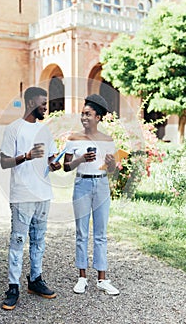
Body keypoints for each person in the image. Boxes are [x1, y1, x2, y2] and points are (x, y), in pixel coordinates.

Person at [0, 86, 61, 310]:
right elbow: (4, 162)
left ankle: (35, 280)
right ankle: (13, 286)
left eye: (46, 103)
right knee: (18, 240)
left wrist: (54, 164)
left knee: (39, 240)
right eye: (42, 103)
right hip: (22, 195)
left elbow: (52, 160)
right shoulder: (13, 129)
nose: (46, 107)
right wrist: (25, 156)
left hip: (44, 193)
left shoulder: (45, 130)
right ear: (30, 104)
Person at [63, 93, 119, 295]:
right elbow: (66, 167)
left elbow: (111, 170)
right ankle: (82, 277)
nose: (84, 117)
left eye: (88, 114)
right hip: (82, 185)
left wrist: (112, 165)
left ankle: (102, 279)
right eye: (82, 114)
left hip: (102, 185)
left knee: (101, 233)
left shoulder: (107, 139)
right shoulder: (74, 139)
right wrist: (81, 160)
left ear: (98, 117)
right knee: (82, 233)